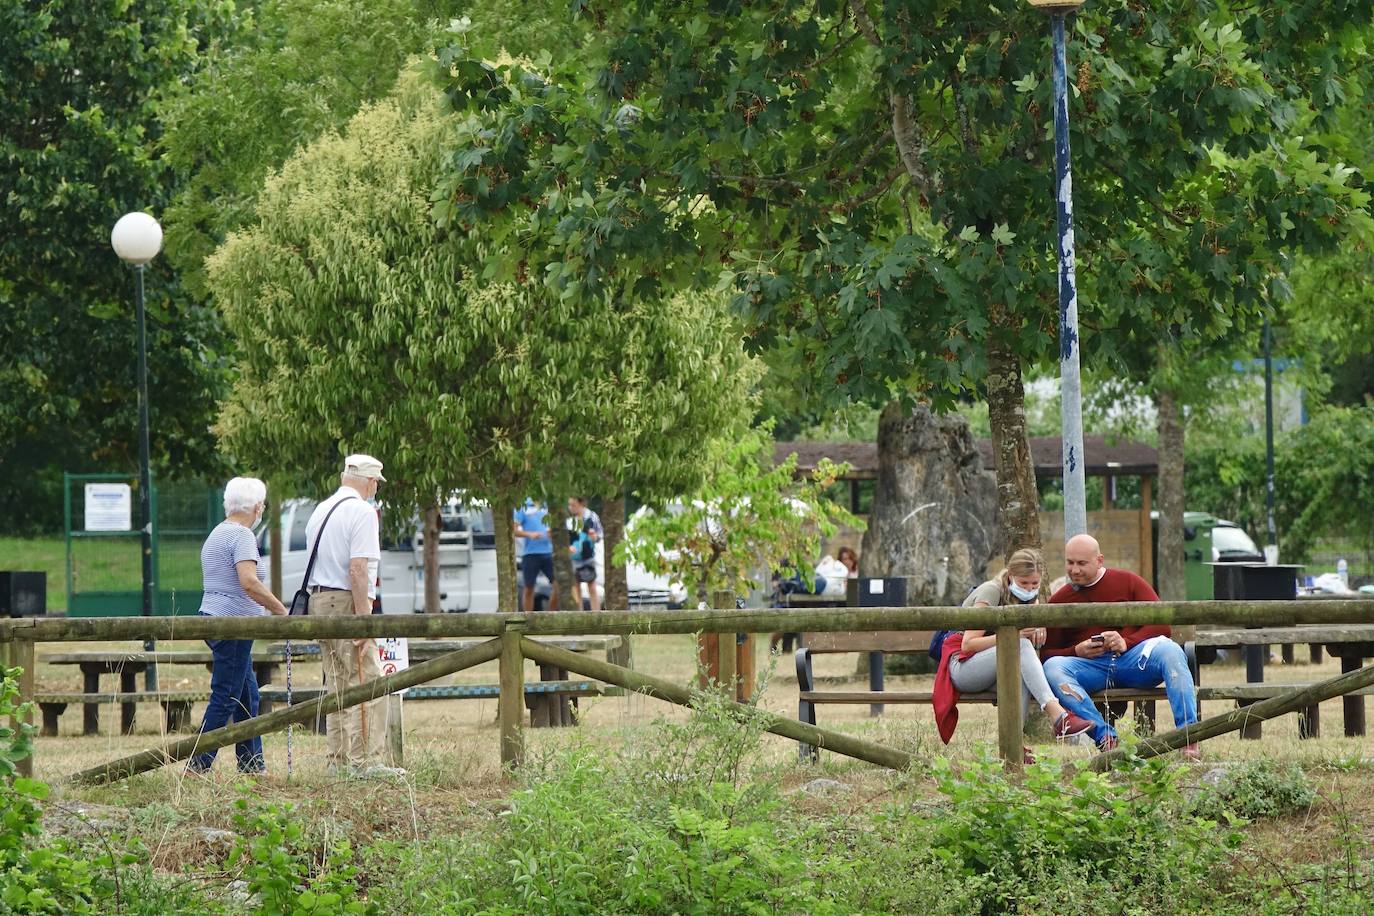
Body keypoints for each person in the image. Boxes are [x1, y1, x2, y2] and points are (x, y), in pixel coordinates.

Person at [1042, 533, 1201, 758]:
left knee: (1172, 651)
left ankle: (1188, 736)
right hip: (1091, 667)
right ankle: (1105, 737)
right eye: (1070, 563)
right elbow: (1048, 654)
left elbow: (1162, 625)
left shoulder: (1128, 582)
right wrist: (1076, 651)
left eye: (1082, 563)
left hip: (1134, 661)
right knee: (1053, 667)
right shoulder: (1060, 599)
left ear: (1099, 560)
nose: (1075, 570)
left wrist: (1126, 642)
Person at [932, 548, 1094, 761]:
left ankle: (1013, 748)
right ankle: (1059, 716)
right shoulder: (991, 591)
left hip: (997, 666)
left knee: (1022, 668)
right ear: (1010, 575)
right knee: (1020, 645)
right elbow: (968, 644)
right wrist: (1014, 636)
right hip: (963, 667)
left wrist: (1038, 629)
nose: (1030, 588)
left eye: (1035, 584)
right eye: (1024, 583)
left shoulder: (1031, 598)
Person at [305, 454, 404, 778]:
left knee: (336, 684)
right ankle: (368, 761)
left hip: (319, 601)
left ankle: (338, 760)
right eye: (375, 481)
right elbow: (358, 569)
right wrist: (365, 619)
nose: (376, 487)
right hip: (347, 601)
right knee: (366, 682)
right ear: (368, 480)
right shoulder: (362, 511)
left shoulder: (320, 511)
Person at [187, 477, 288, 775]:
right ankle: (198, 763)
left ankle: (252, 764)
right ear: (257, 506)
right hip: (232, 624)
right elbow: (249, 581)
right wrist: (280, 610)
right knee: (227, 694)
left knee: (247, 696)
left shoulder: (218, 533)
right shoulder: (242, 536)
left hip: (216, 618)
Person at [514, 497, 557, 612]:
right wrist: (529, 534)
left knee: (558, 584)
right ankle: (528, 619)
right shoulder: (523, 505)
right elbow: (514, 530)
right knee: (529, 588)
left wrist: (553, 532)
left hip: (548, 552)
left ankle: (551, 615)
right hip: (530, 553)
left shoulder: (547, 503)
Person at [567, 497, 603, 611]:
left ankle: (596, 614)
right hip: (574, 558)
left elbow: (599, 535)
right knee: (576, 588)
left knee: (591, 586)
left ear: (581, 503)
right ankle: (580, 614)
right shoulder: (569, 520)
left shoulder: (591, 517)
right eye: (570, 505)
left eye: (573, 505)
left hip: (588, 557)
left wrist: (594, 537)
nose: (571, 508)